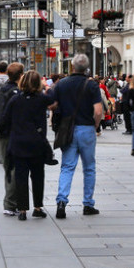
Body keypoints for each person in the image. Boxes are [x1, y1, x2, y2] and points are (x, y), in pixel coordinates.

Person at [50, 54, 103, 219]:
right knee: (89, 168)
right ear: (86, 68)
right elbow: (98, 111)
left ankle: (61, 202)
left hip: (69, 129)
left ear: (72, 67)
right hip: (87, 128)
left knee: (67, 167)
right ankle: (88, 204)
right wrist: (95, 125)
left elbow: (52, 105)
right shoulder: (92, 85)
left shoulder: (62, 84)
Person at [0, 70, 55, 220]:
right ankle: (38, 207)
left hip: (18, 142)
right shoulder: (42, 99)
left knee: (21, 176)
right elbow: (53, 99)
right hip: (37, 142)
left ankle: (23, 210)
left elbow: (5, 119)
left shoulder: (15, 99)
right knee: (38, 175)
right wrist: (46, 87)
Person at [0, 63, 25, 216]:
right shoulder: (16, 93)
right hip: (13, 134)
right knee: (14, 169)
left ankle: (13, 202)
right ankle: (10, 204)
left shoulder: (0, 91)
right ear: (20, 75)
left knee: (9, 168)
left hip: (1, 133)